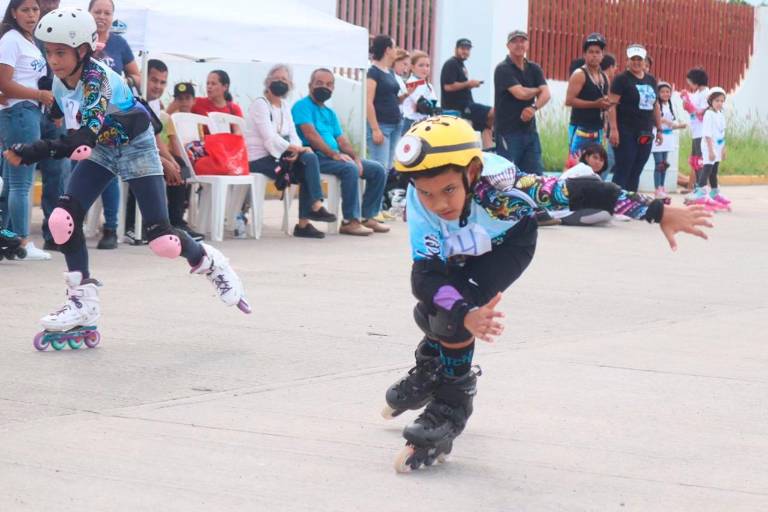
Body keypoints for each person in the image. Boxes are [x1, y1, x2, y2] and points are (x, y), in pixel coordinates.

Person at [381, 116, 713, 472]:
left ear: (473, 172)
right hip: (461, 246)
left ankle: (452, 404)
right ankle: (433, 366)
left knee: (451, 320)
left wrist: (657, 211)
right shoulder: (420, 202)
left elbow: (585, 190)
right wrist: (463, 312)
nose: (438, 204)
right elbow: (425, 275)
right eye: (426, 192)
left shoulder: (507, 190)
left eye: (449, 190)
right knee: (433, 309)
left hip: (507, 244)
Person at [4, 9, 250, 340]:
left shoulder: (97, 79)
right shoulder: (60, 82)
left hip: (135, 144)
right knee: (61, 221)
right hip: (104, 147)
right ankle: (82, 302)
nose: (53, 59)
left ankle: (211, 262)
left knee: (162, 239)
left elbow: (81, 138)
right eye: (48, 51)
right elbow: (65, 121)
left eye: (60, 52)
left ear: (83, 50)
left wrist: (31, 149)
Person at [292, 68, 388, 236]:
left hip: (334, 157)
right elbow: (311, 135)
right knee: (349, 168)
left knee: (377, 169)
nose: (325, 87)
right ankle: (350, 221)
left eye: (329, 84)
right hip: (315, 157)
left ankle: (368, 216)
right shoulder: (302, 107)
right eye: (319, 83)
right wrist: (335, 155)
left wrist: (356, 157)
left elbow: (342, 140)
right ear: (310, 85)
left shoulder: (329, 113)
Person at [245, 63, 336, 239]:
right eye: (276, 79)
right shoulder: (260, 104)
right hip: (259, 158)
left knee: (308, 159)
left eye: (284, 79)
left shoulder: (285, 106)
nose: (280, 82)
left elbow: (293, 134)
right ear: (268, 82)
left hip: (279, 156)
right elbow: (269, 137)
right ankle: (314, 208)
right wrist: (293, 148)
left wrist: (297, 149)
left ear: (290, 84)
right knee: (307, 162)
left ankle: (306, 220)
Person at [0, 0, 52, 261]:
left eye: (35, 9)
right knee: (21, 183)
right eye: (25, 10)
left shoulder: (27, 40)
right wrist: (39, 94)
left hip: (25, 113)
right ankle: (21, 241)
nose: (32, 15)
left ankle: (7, 241)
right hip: (21, 113)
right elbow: (4, 83)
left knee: (11, 184)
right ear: (13, 12)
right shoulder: (11, 40)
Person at [88, 0, 140, 250]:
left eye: (107, 13)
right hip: (84, 114)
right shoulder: (80, 39)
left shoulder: (119, 44)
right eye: (97, 12)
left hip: (112, 117)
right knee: (75, 171)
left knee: (108, 172)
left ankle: (110, 228)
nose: (102, 17)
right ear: (89, 14)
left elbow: (137, 75)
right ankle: (68, 224)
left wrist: (123, 79)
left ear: (113, 16)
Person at [35, 0, 70, 253]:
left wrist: (59, 107)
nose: (49, 3)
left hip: (55, 114)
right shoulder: (19, 32)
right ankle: (12, 234)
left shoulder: (66, 29)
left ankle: (53, 233)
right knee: (18, 176)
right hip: (24, 110)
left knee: (58, 172)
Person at [493, 30, 550, 175]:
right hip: (508, 132)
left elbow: (547, 94)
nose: (519, 44)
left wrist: (534, 107)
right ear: (508, 45)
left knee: (535, 178)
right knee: (507, 178)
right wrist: (538, 90)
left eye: (522, 41)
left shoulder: (534, 68)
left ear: (527, 44)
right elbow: (521, 94)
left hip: (530, 132)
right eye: (514, 41)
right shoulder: (503, 69)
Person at [607, 43, 663, 192]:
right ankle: (614, 201)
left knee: (637, 167)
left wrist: (659, 129)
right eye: (633, 59)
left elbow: (655, 106)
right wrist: (613, 129)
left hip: (645, 131)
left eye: (640, 59)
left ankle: (631, 201)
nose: (637, 62)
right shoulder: (621, 80)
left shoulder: (651, 80)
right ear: (627, 61)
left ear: (645, 61)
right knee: (624, 166)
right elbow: (611, 105)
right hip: (625, 130)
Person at [565, 33, 610, 167]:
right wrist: (594, 104)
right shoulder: (579, 74)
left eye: (597, 52)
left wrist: (607, 106)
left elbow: (605, 100)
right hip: (581, 127)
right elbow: (569, 101)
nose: (594, 55)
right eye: (590, 52)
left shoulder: (604, 77)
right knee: (574, 165)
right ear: (584, 54)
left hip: (599, 128)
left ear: (602, 55)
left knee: (596, 166)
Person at [440, 38, 493, 148]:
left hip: (467, 104)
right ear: (456, 49)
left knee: (486, 126)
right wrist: (468, 84)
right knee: (494, 111)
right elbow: (448, 87)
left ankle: (489, 153)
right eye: (462, 48)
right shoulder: (451, 64)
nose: (465, 51)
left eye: (468, 49)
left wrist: (472, 85)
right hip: (460, 107)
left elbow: (459, 87)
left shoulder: (460, 65)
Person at [685, 87, 730, 211]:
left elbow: (722, 133)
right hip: (709, 145)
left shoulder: (720, 114)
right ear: (710, 101)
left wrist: (723, 148)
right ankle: (700, 192)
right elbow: (707, 134)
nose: (719, 103)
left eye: (722, 101)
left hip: (718, 145)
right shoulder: (709, 114)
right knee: (707, 168)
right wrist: (710, 150)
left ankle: (714, 192)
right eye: (717, 101)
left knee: (714, 170)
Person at [366, 35, 402, 171]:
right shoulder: (373, 72)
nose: (396, 50)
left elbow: (392, 97)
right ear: (387, 50)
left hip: (395, 124)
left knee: (388, 168)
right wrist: (375, 129)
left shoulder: (390, 72)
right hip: (381, 126)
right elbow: (368, 101)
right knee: (380, 168)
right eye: (394, 47)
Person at [652, 82, 686, 199]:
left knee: (664, 164)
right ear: (658, 93)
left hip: (668, 138)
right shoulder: (656, 105)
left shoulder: (669, 106)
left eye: (667, 92)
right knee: (658, 163)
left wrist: (680, 126)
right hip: (658, 136)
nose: (665, 94)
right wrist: (666, 122)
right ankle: (657, 189)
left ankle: (662, 186)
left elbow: (671, 124)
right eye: (662, 92)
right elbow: (657, 119)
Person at [679, 67, 709, 192]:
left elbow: (702, 114)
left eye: (690, 82)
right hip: (696, 132)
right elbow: (690, 107)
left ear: (696, 81)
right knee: (695, 161)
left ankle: (702, 189)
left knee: (700, 161)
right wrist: (685, 100)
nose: (689, 85)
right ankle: (696, 187)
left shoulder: (707, 94)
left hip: (703, 132)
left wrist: (689, 106)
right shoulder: (697, 93)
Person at [402, 50, 439, 133]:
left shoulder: (429, 85)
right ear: (412, 67)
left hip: (425, 122)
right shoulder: (411, 83)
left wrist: (435, 108)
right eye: (421, 65)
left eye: (427, 66)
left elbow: (435, 105)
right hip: (411, 123)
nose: (425, 69)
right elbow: (422, 105)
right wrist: (432, 108)